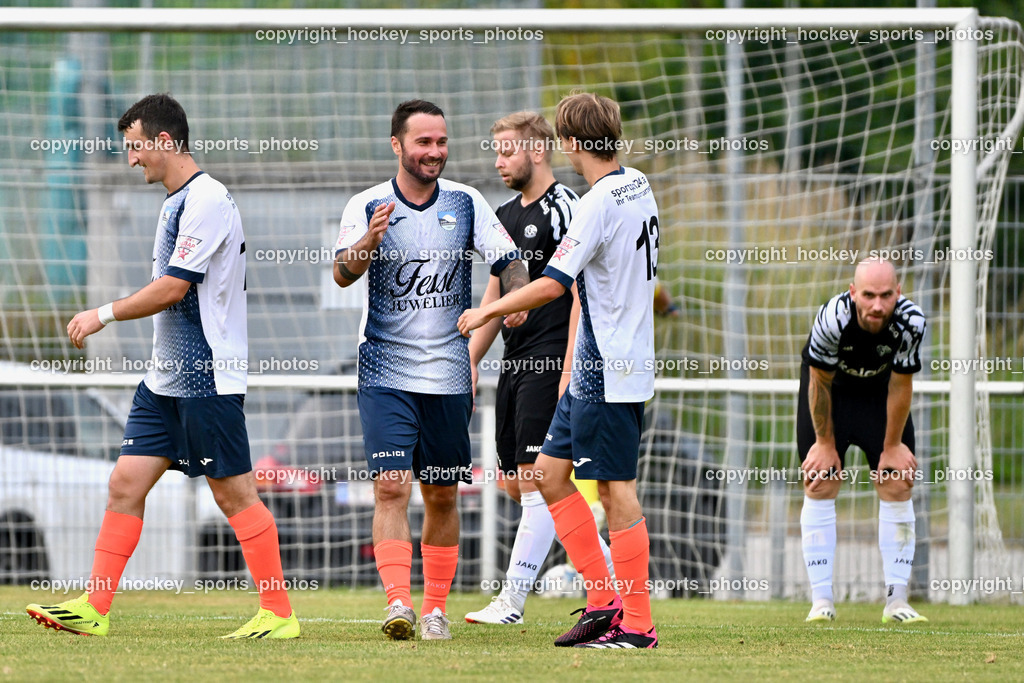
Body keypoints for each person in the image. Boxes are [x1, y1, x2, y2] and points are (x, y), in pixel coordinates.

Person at [26, 93, 298, 639]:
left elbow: (175, 287)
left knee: (233, 493)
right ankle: (94, 608)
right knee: (125, 482)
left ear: (165, 142)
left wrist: (101, 314)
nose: (131, 159)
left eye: (135, 147)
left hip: (207, 376)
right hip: (165, 378)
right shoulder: (174, 200)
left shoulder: (209, 199)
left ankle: (279, 614)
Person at [459, 92, 660, 649]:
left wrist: (487, 310)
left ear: (569, 143)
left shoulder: (593, 203)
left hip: (609, 365)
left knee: (617, 488)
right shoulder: (638, 183)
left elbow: (552, 284)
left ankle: (637, 626)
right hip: (598, 364)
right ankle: (602, 603)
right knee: (547, 475)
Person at [332, 99, 527, 641]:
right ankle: (398, 603)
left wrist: (516, 296)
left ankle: (436, 609)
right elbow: (342, 273)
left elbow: (509, 261)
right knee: (391, 487)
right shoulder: (366, 203)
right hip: (384, 373)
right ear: (397, 145)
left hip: (447, 375)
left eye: (441, 142)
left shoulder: (466, 203)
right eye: (423, 142)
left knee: (440, 493)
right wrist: (367, 243)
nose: (434, 152)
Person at [463, 112, 614, 626]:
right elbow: (495, 293)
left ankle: (512, 602)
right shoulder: (504, 215)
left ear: (539, 150)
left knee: (534, 480)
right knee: (515, 483)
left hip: (553, 359)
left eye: (507, 150)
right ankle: (615, 581)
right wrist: (470, 359)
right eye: (496, 151)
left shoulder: (567, 207)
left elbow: (578, 293)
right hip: (516, 359)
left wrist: (571, 364)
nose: (499, 160)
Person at [798, 258, 927, 624]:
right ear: (853, 292)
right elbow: (818, 381)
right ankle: (821, 602)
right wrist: (824, 442)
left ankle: (896, 601)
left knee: (898, 481)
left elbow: (902, 384)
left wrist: (892, 446)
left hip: (878, 397)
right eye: (868, 295)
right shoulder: (832, 319)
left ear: (898, 293)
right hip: (830, 395)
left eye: (886, 295)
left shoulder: (911, 321)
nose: (877, 305)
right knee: (820, 482)